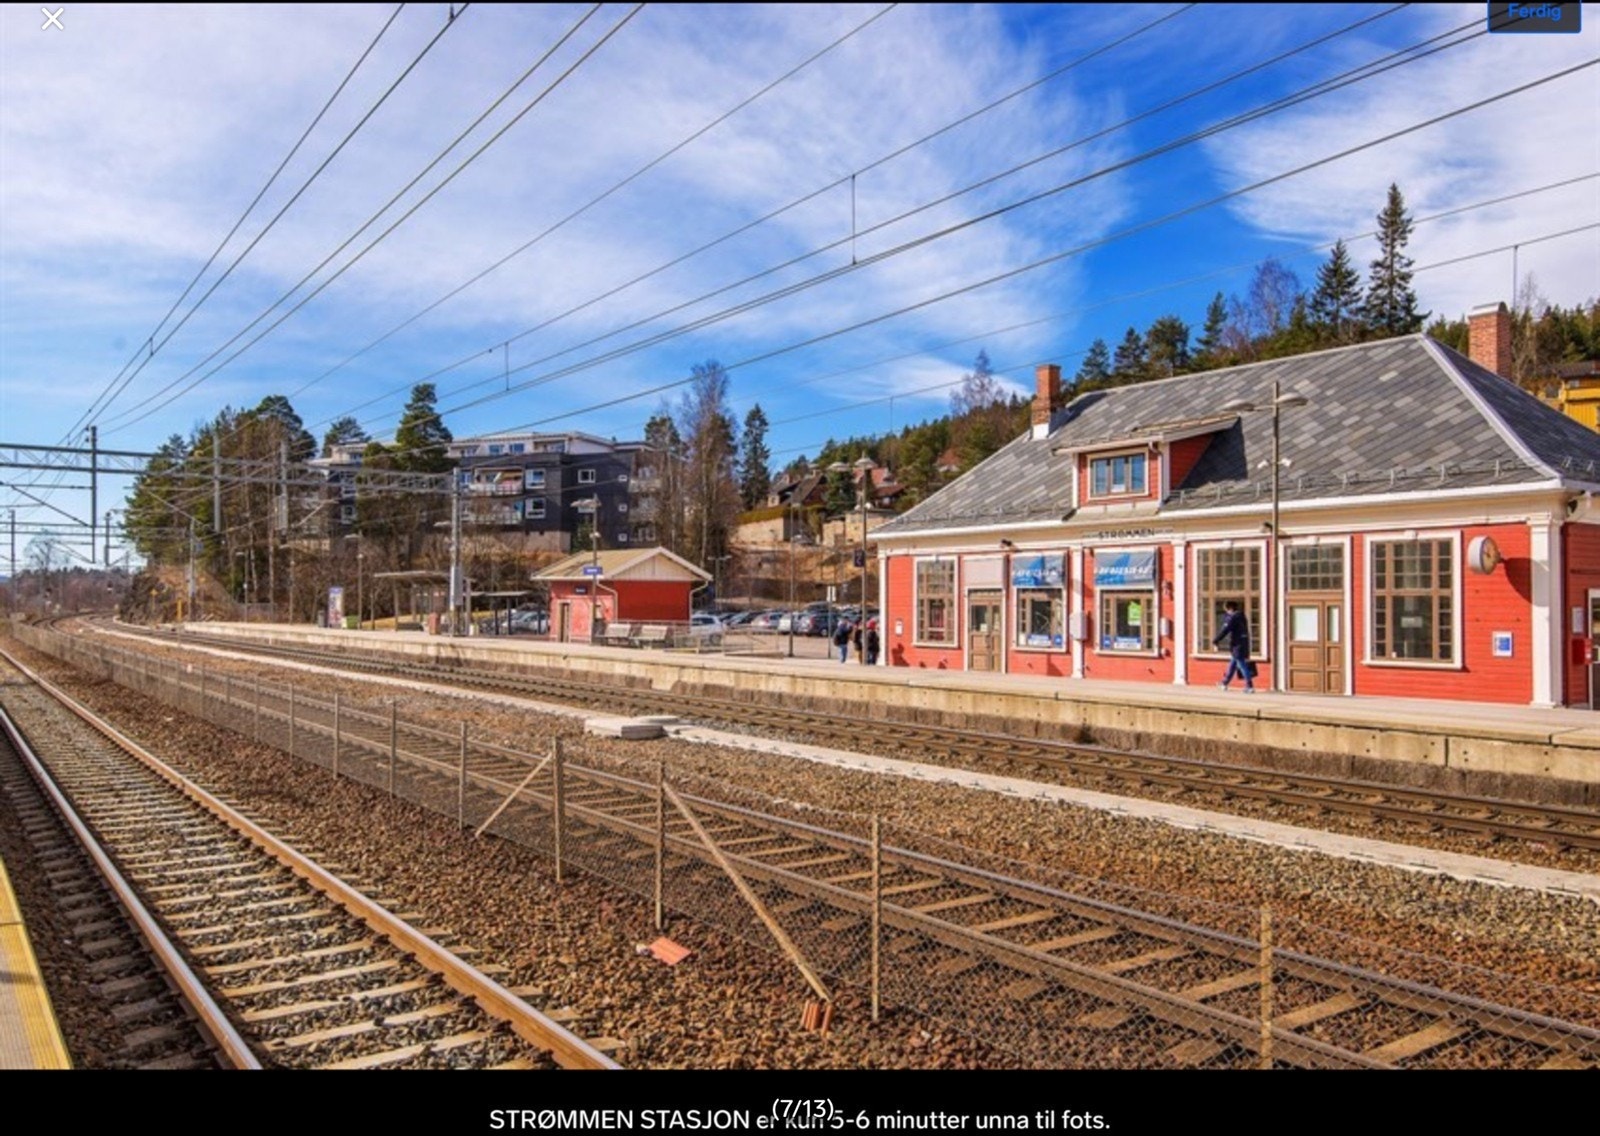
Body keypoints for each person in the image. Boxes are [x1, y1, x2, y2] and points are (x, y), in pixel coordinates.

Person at [1212, 600, 1254, 692]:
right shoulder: (1242, 617)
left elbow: (1225, 630)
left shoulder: (1232, 618)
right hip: (1243, 644)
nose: (1226, 612)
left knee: (1242, 665)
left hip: (1237, 645)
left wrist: (1216, 640)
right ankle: (1224, 683)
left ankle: (1249, 686)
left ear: (1230, 608)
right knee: (1233, 664)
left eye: (1227, 610)